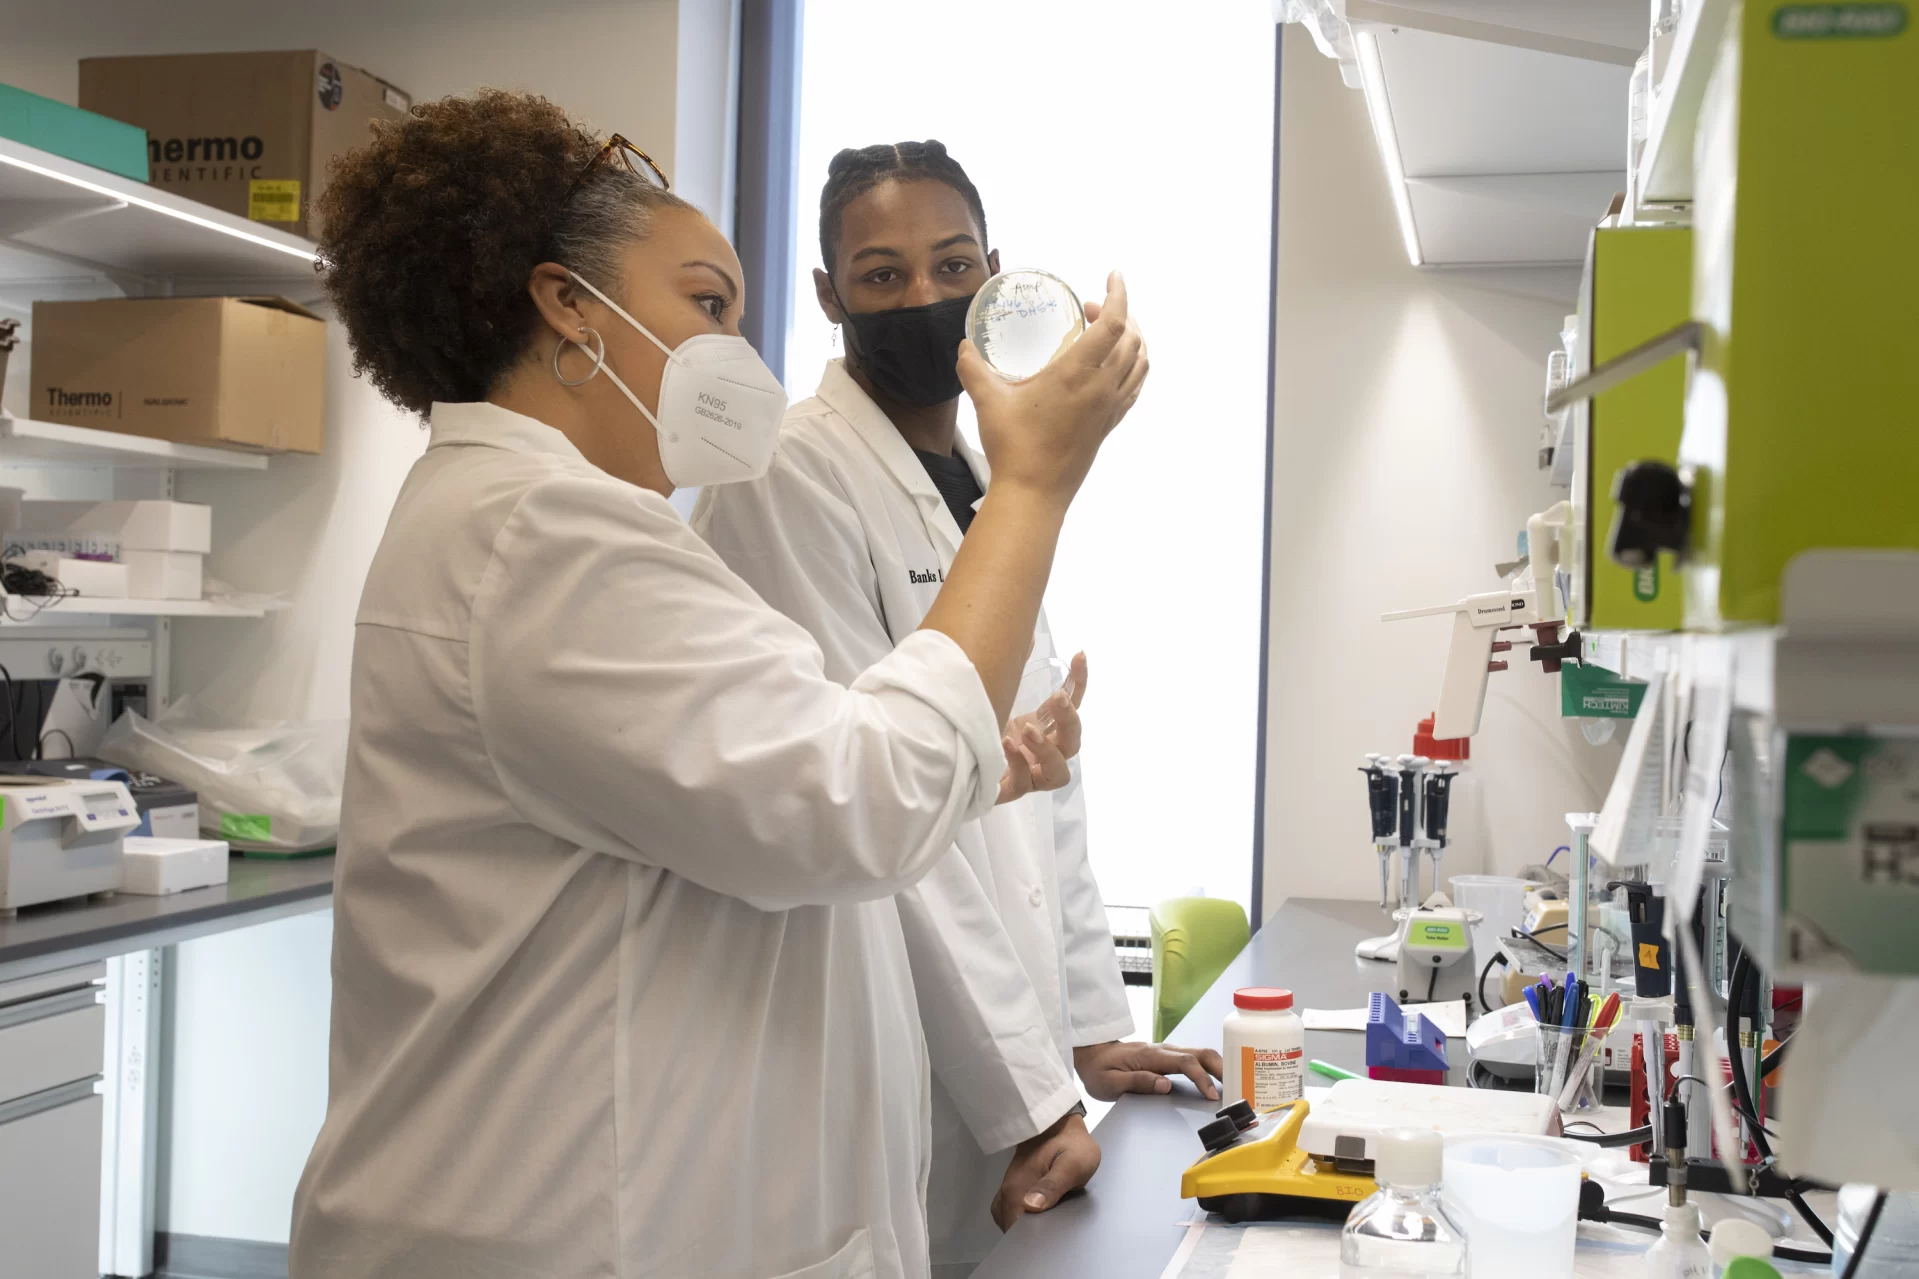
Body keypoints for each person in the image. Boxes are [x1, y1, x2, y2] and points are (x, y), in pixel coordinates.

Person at [287, 93, 1145, 1279]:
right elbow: (856, 803)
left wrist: (976, 777)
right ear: (565, 306)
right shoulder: (543, 534)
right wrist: (1035, 483)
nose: (733, 357)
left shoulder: (557, 523)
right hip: (565, 1226)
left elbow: (751, 785)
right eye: (703, 305)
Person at [693, 140, 1217, 1278]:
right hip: (881, 1038)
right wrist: (1031, 1101)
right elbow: (883, 816)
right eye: (880, 276)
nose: (922, 298)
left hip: (997, 1051)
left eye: (950, 264)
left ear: (995, 275)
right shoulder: (789, 478)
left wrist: (1086, 1025)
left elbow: (1038, 795)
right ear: (829, 297)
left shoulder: (983, 481)